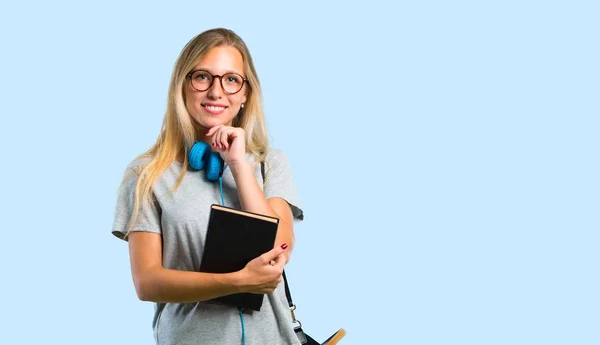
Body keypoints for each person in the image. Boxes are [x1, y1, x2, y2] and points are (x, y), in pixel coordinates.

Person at [111, 28, 304, 345]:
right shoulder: (145, 174)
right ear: (183, 86)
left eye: (231, 80)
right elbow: (147, 282)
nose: (217, 92)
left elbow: (279, 247)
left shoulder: (270, 163)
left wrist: (239, 165)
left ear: (245, 94)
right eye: (203, 77)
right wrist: (236, 281)